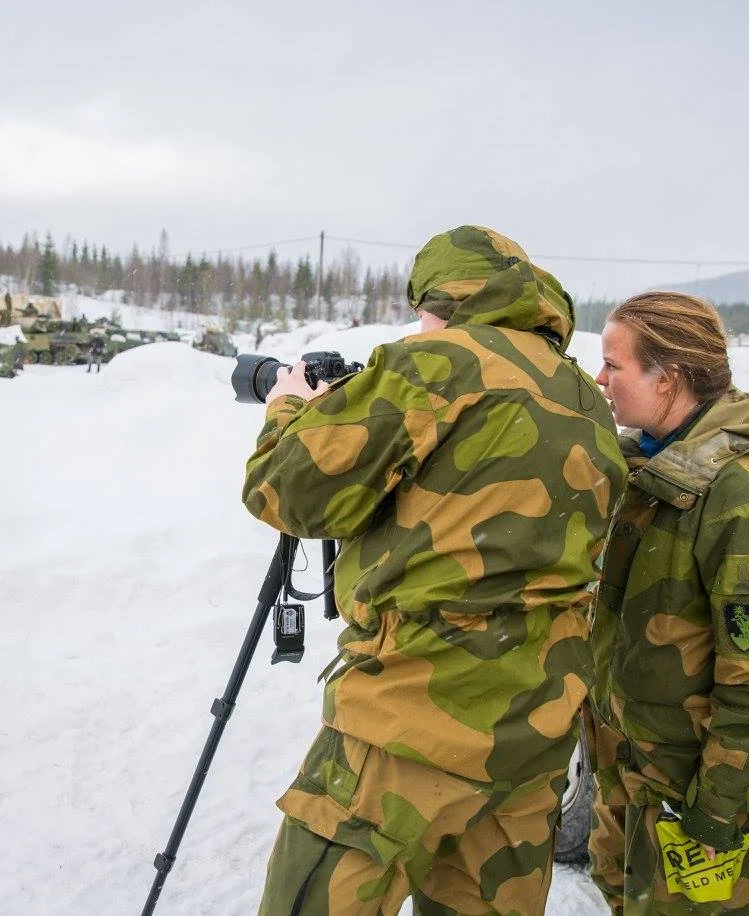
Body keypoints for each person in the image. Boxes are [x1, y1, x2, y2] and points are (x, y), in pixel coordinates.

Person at [242, 226, 627, 914]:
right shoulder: (582, 394)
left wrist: (288, 408)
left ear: (445, 298)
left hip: (410, 716)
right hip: (534, 722)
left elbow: (286, 491)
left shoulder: (435, 362)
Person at [586, 291, 749, 914]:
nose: (601, 379)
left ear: (666, 380)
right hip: (636, 764)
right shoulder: (657, 466)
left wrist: (719, 809)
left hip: (689, 789)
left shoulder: (742, 495)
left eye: (614, 365)